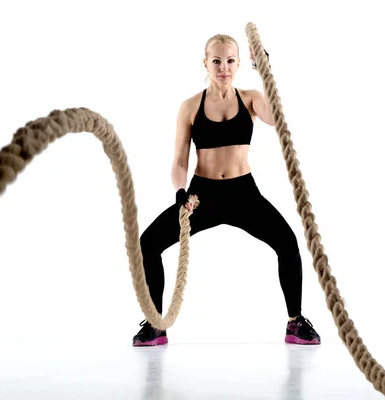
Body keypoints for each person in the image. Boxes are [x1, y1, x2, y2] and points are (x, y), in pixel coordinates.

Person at [133, 34, 321, 346]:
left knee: (287, 243)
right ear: (205, 62)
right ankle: (155, 324)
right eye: (217, 60)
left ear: (238, 63)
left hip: (243, 195)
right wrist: (180, 194)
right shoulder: (190, 107)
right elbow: (179, 161)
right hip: (200, 197)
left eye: (231, 60)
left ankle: (295, 322)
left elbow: (277, 119)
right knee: (148, 243)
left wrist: (266, 72)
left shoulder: (250, 98)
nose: (224, 67)